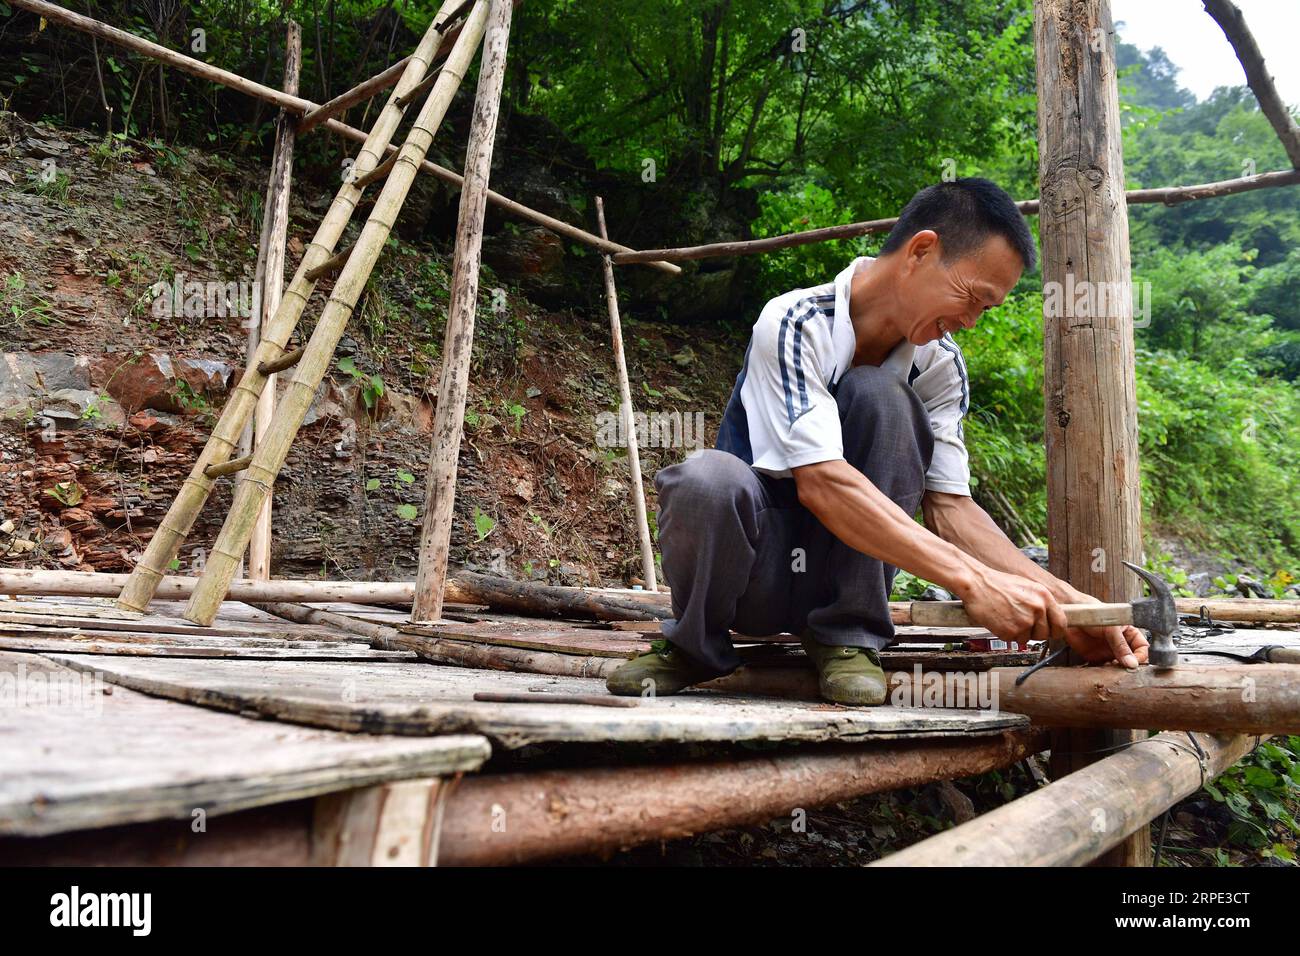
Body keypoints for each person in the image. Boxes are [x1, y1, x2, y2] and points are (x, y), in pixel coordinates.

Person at [607, 177, 1149, 704]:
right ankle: (695, 646)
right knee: (707, 477)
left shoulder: (940, 366)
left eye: (987, 310)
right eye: (974, 299)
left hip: (843, 577)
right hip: (756, 576)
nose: (973, 322)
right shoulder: (796, 322)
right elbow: (823, 485)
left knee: (881, 395)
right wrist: (973, 582)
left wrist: (1072, 605)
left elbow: (951, 508)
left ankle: (845, 637)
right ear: (920, 250)